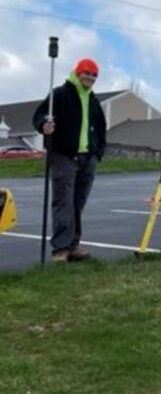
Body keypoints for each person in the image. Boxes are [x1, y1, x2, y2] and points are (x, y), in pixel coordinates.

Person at [32, 58, 106, 263]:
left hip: (87, 158)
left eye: (94, 74)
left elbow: (101, 127)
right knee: (63, 202)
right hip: (64, 156)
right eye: (87, 73)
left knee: (77, 203)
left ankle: (73, 245)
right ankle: (60, 248)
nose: (90, 77)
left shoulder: (93, 100)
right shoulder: (61, 94)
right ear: (78, 73)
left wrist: (98, 151)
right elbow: (39, 116)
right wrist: (43, 127)